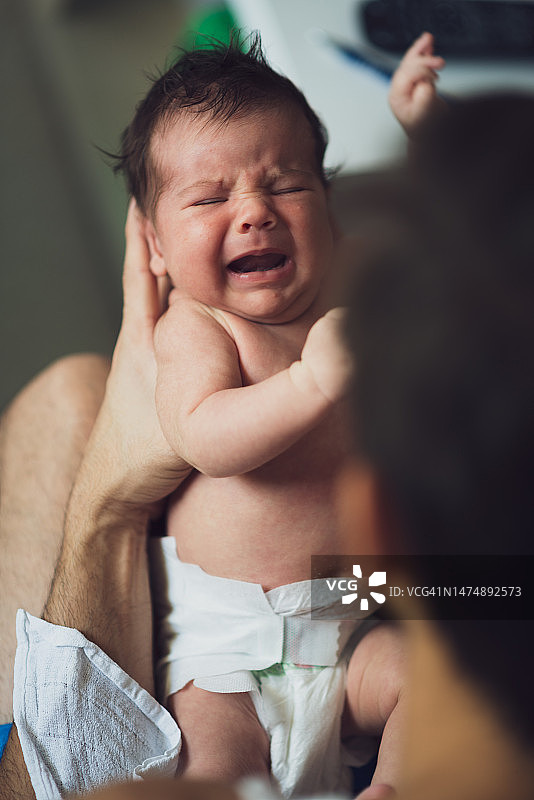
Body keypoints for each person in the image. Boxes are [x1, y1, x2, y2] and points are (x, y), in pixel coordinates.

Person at [108, 32, 444, 797]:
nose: (255, 212)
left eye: (287, 183)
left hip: (351, 613)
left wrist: (425, 135)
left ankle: (388, 788)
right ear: (156, 247)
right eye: (210, 197)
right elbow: (204, 435)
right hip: (228, 644)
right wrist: (310, 383)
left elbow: (438, 248)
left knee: (435, 684)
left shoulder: (352, 271)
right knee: (219, 768)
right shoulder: (198, 328)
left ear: (328, 202)